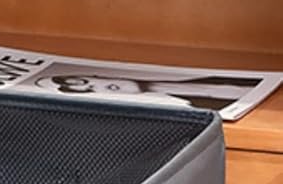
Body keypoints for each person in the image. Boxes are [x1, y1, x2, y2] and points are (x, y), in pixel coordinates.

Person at [33, 72, 258, 113]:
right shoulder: (197, 109)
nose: (98, 88)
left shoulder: (212, 77)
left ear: (96, 74)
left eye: (85, 82)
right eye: (89, 91)